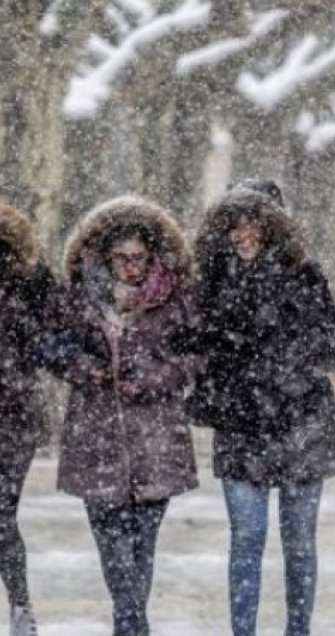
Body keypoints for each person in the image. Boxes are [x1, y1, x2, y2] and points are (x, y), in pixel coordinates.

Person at [188, 186, 335, 636]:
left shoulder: (304, 275)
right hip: (242, 426)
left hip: (302, 423)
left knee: (298, 544)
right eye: (232, 225)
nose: (241, 234)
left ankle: (299, 630)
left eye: (250, 223)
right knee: (246, 540)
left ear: (271, 225)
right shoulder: (211, 282)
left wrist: (281, 360)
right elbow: (195, 349)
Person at [48, 196, 198, 636]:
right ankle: (132, 623)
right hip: (96, 440)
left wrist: (158, 376)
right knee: (112, 547)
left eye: (139, 257)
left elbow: (198, 354)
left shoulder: (175, 299)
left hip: (155, 442)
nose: (131, 266)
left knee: (141, 546)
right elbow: (52, 346)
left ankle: (129, 624)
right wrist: (85, 369)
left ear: (153, 256)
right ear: (105, 258)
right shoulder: (78, 298)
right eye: (121, 258)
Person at [0, 202, 54, 636]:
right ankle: (21, 607)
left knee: (0, 514)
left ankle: (21, 608)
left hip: (14, 417)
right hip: (19, 413)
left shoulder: (31, 281)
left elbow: (49, 338)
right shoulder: (33, 280)